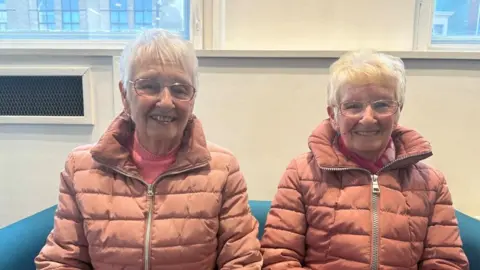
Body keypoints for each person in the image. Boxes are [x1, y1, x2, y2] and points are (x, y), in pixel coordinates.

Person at [35, 29, 263, 270]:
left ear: (192, 99)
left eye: (179, 89)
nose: (165, 101)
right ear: (125, 95)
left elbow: (242, 262)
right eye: (150, 86)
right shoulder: (81, 168)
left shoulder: (222, 169)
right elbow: (61, 262)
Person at [260, 50, 469, 270]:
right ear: (333, 116)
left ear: (398, 112)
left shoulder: (431, 182)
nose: (368, 118)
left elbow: (446, 262)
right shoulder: (301, 174)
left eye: (382, 105)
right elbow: (279, 260)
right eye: (353, 106)